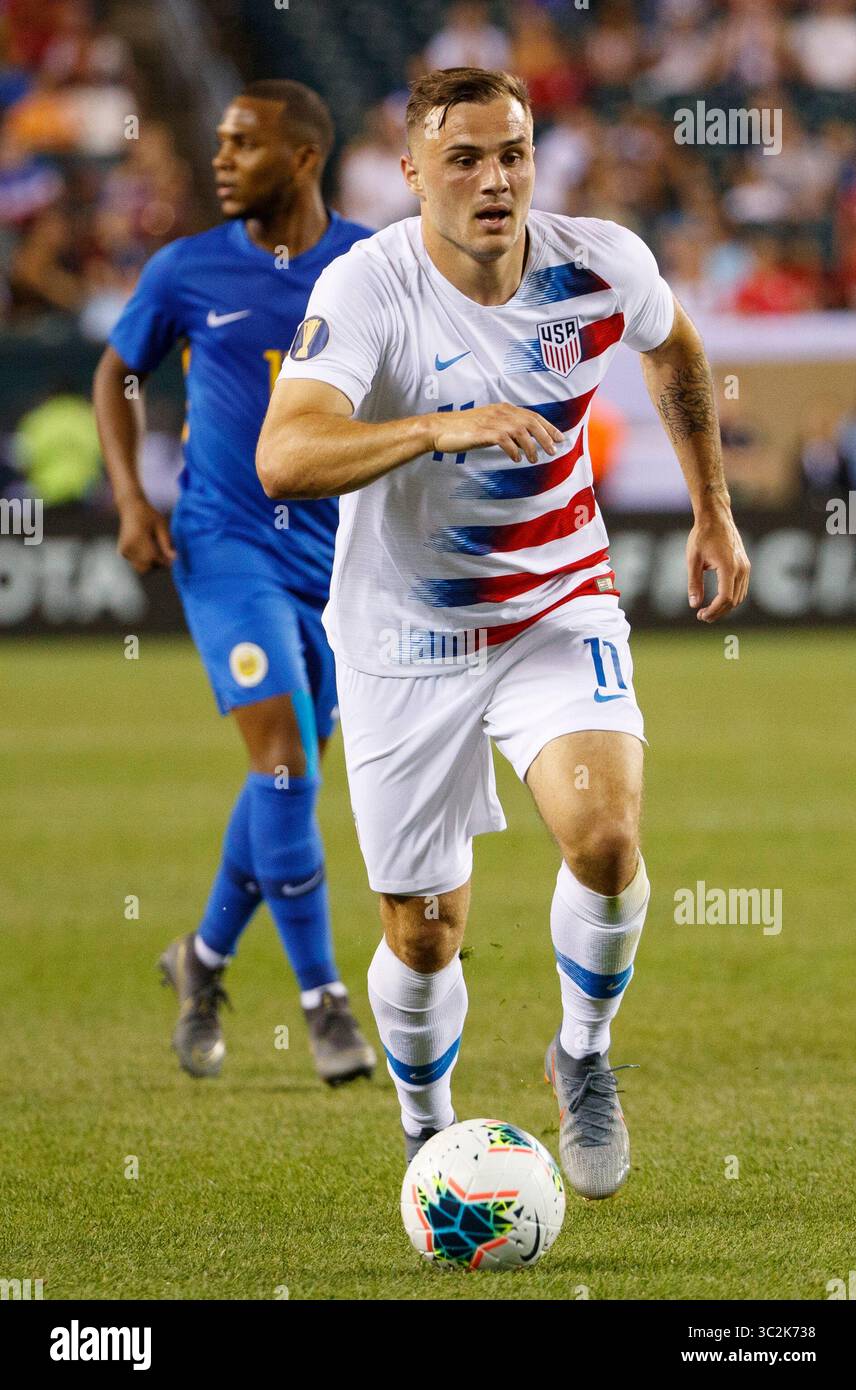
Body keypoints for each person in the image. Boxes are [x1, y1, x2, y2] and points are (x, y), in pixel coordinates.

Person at [257, 68, 750, 1198]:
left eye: (513, 154)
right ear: (411, 172)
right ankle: (426, 1130)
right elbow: (284, 456)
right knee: (426, 933)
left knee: (606, 839)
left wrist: (712, 510)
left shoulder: (599, 262)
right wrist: (436, 428)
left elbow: (674, 348)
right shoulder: (367, 287)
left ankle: (582, 1053)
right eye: (465, 158)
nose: (494, 180)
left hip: (555, 603)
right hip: (403, 633)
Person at [93, 80, 376, 1087]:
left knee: (281, 778)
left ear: (302, 158)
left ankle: (202, 958)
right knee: (287, 764)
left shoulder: (370, 265)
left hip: (335, 563)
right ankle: (324, 1001)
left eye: (243, 143)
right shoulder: (185, 269)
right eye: (218, 140)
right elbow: (117, 374)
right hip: (223, 549)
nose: (220, 159)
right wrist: (132, 497)